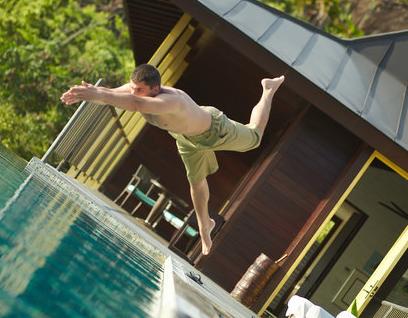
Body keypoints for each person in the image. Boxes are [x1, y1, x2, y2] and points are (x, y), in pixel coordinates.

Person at [60, 64, 284, 255]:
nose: (133, 92)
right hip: (186, 138)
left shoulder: (171, 101)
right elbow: (110, 96)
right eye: (132, 88)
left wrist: (99, 94)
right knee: (196, 181)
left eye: (140, 90)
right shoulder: (135, 90)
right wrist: (89, 93)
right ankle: (205, 224)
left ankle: (268, 90)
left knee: (254, 137)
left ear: (155, 89)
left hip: (213, 131)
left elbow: (135, 104)